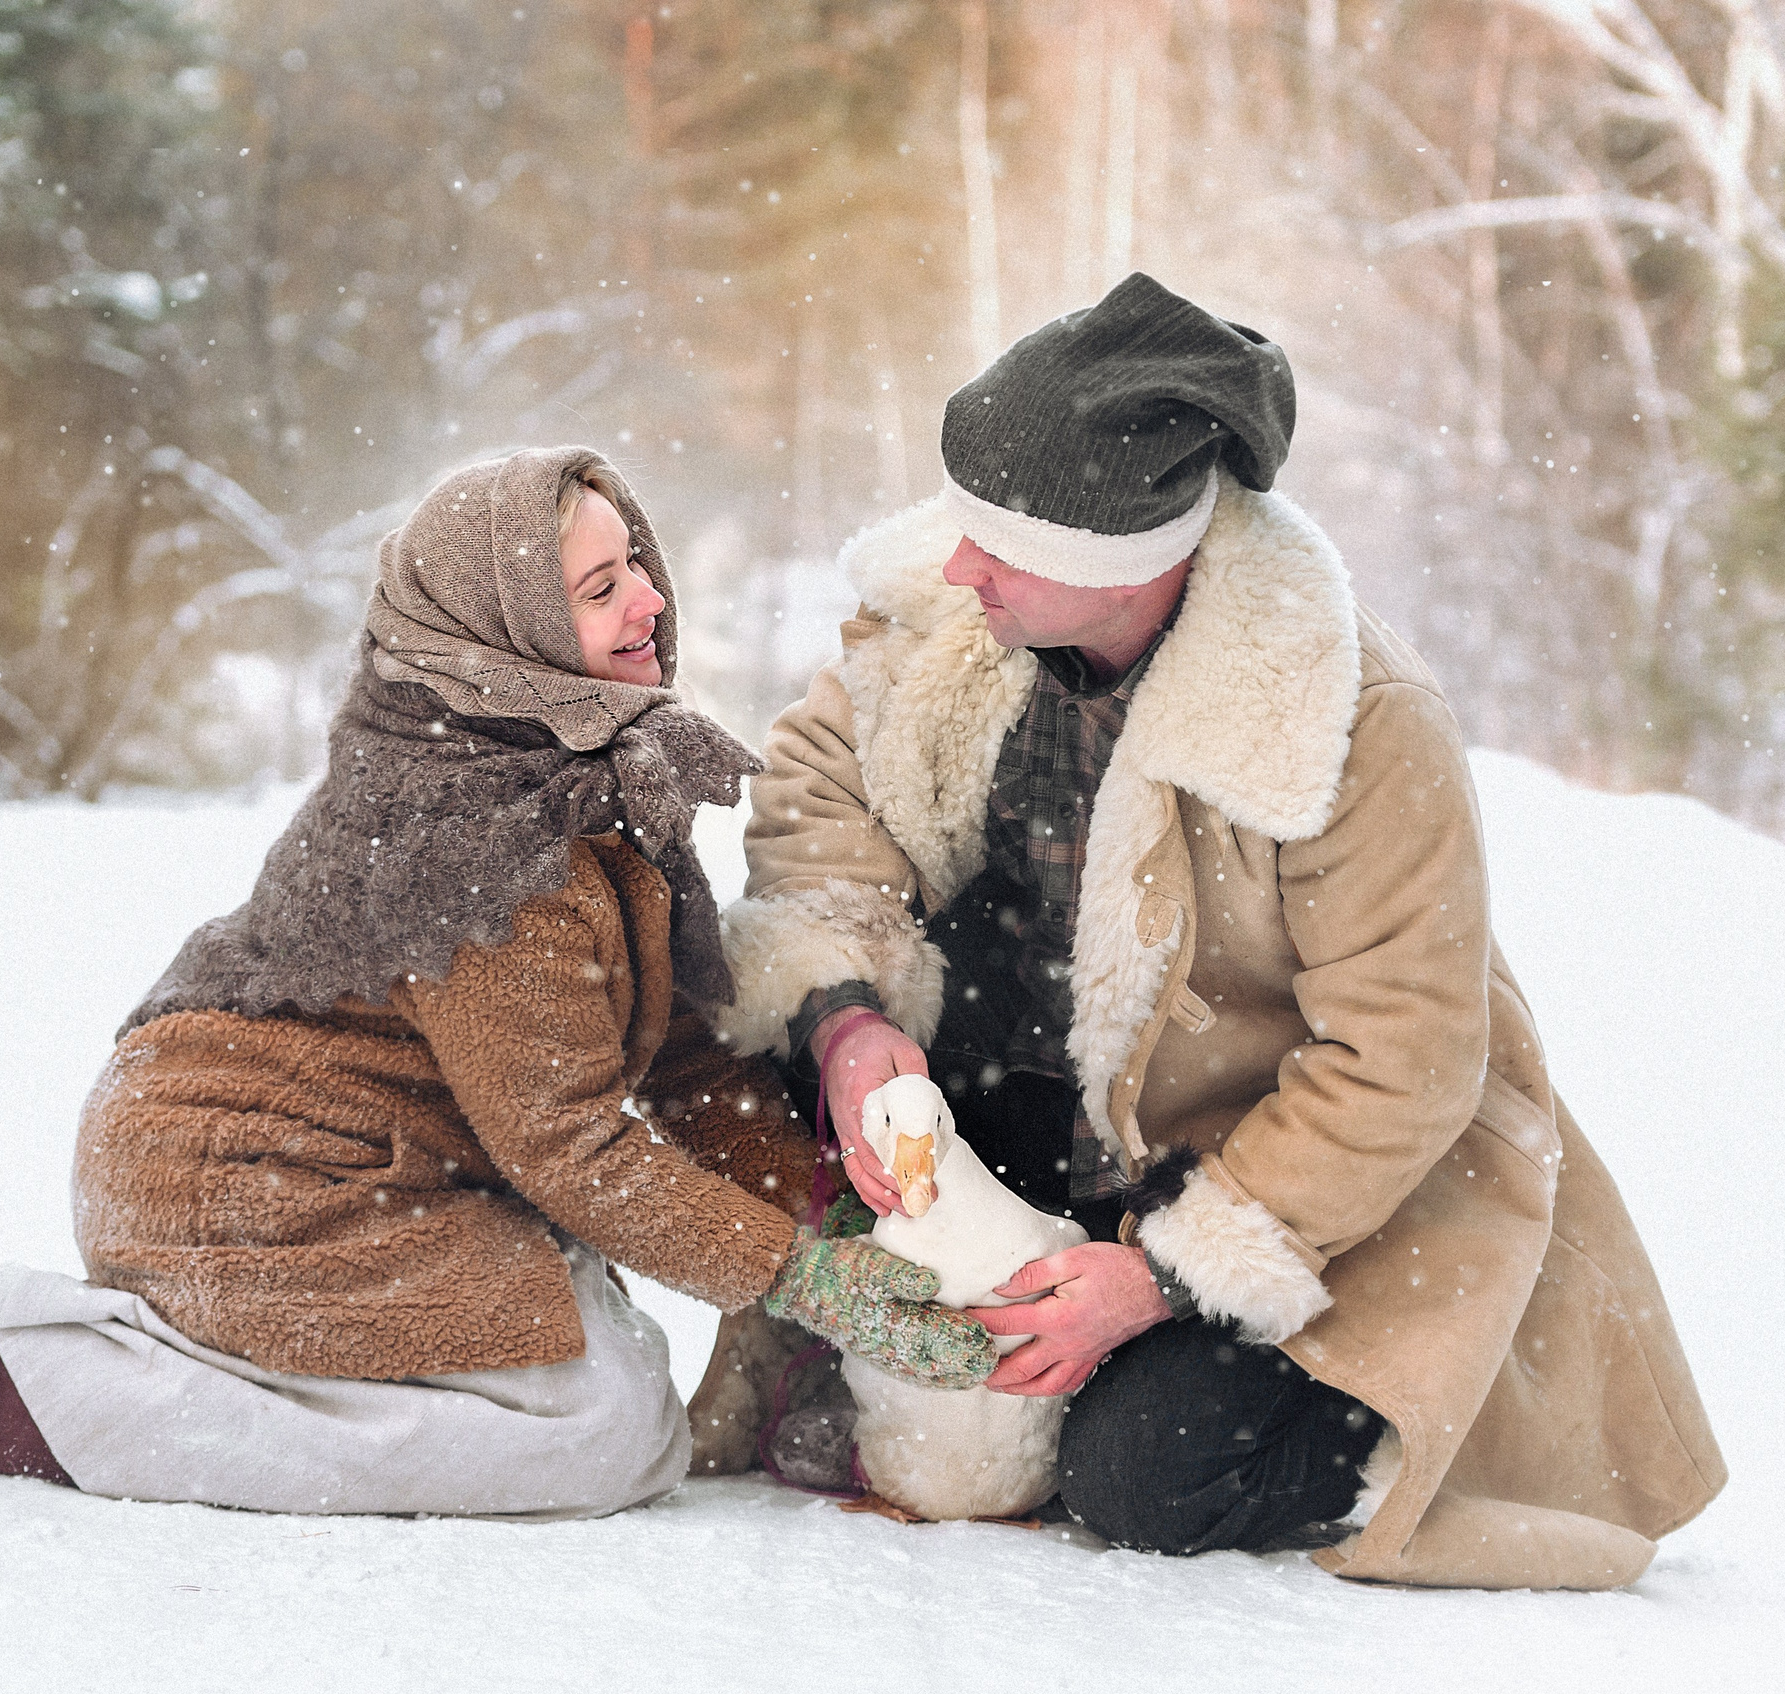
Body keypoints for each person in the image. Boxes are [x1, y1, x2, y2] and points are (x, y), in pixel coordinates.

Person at [704, 275, 1727, 1587]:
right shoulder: (950, 617)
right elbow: (820, 786)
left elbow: (1402, 1059)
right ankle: (975, 1336)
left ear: (1119, 564)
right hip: (1027, 1102)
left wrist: (1150, 1278)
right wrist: (844, 1020)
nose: (960, 564)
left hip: (1271, 1178)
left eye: (999, 544)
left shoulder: (1356, 720)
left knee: (1140, 1474)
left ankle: (1376, 1425)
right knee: (777, 1068)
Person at [0, 446, 994, 1520]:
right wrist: (798, 1273)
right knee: (611, 1431)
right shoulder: (482, 845)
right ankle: (93, 1396)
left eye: (633, 561)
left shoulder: (567, 771)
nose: (650, 598)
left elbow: (678, 1053)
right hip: (242, 1183)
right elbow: (570, 1146)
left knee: (600, 1351)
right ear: (508, 631)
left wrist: (818, 1210)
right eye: (600, 587)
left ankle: (256, 1361)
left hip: (376, 1161)